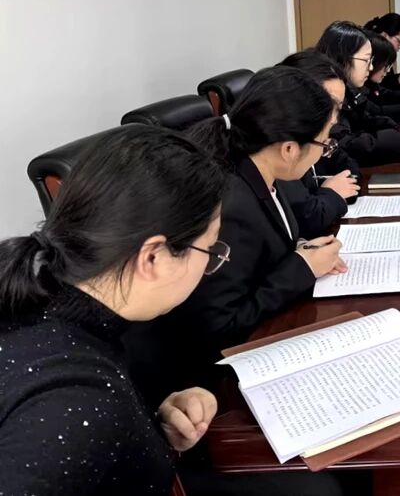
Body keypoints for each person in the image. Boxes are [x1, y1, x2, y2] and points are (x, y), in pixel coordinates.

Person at [0, 126, 224, 495]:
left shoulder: (43, 303)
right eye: (210, 249)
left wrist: (149, 426)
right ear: (153, 257)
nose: (211, 264)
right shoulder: (77, 399)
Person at [139, 67, 346, 397]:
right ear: (289, 149)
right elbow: (220, 326)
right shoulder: (230, 206)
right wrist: (302, 268)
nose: (324, 151)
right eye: (324, 142)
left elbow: (263, 251)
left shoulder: (260, 171)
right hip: (214, 384)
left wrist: (303, 250)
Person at [316, 21, 400, 166]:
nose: (371, 67)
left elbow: (367, 118)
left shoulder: (349, 90)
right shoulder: (324, 95)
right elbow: (348, 144)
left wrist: (393, 130)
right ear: (343, 58)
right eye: (366, 60)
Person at [277, 50, 361, 238]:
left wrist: (328, 192)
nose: (334, 119)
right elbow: (306, 218)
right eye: (329, 106)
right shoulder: (280, 146)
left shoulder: (317, 136)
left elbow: (350, 171)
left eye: (338, 108)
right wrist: (331, 193)